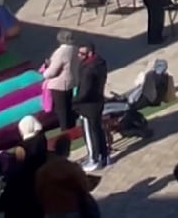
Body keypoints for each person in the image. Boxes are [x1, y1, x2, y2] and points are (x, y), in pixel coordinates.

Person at [0, 115, 49, 218]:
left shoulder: (22, 147)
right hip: (42, 176)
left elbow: (19, 166)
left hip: (26, 182)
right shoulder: (42, 138)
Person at [33, 135, 99, 218]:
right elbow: (84, 187)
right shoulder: (72, 168)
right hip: (71, 210)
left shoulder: (42, 171)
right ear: (67, 151)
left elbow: (38, 193)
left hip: (51, 212)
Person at [73, 40, 111, 172]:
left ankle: (94, 159)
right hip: (97, 102)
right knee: (98, 130)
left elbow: (85, 90)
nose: (79, 56)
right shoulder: (100, 63)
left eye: (82, 53)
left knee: (90, 133)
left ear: (89, 53)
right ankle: (104, 156)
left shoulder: (89, 70)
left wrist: (75, 102)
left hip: (88, 106)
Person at [42, 31, 79, 129]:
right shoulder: (75, 49)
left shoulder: (60, 52)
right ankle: (73, 129)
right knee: (69, 109)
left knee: (62, 112)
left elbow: (53, 71)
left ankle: (66, 131)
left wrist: (45, 73)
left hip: (59, 85)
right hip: (70, 82)